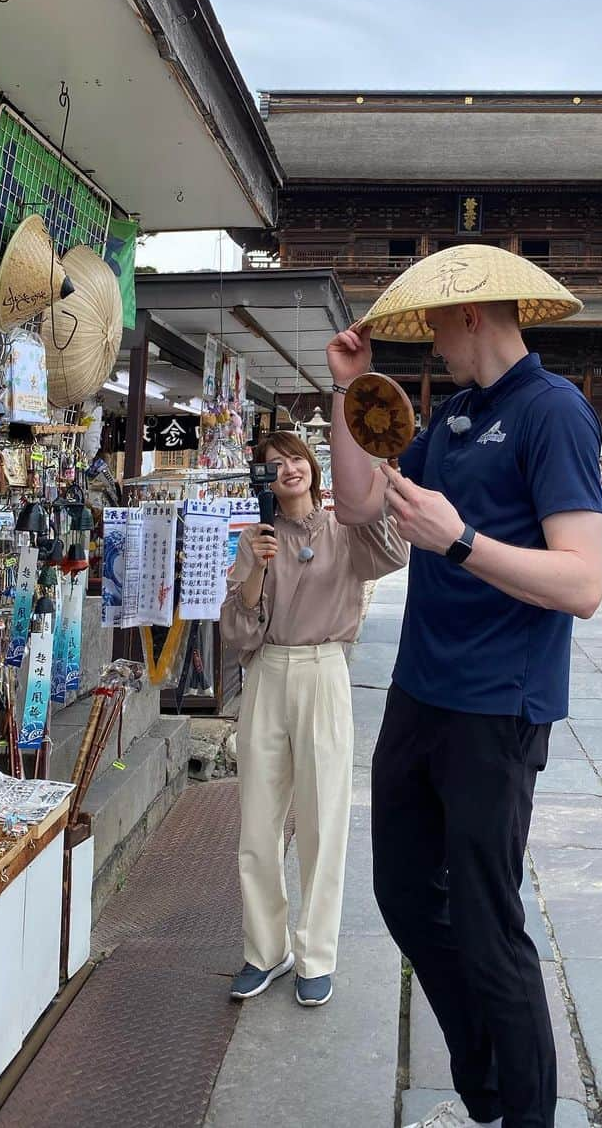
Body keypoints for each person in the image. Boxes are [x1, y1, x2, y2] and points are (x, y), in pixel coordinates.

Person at [326, 245, 602, 1128]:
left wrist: (459, 542)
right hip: (420, 693)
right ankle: (482, 1085)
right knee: (403, 894)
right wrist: (349, 395)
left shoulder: (553, 413)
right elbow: (361, 506)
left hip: (498, 704)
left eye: (437, 325)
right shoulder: (449, 421)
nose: (432, 343)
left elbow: (584, 584)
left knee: (490, 927)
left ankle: (521, 1113)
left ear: (471, 313)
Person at [220, 431, 407, 1009]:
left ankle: (316, 955)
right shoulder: (256, 539)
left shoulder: (345, 530)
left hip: (326, 669)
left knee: (324, 819)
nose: (287, 469)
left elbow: (395, 552)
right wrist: (251, 568)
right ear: (265, 480)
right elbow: (239, 633)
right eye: (274, 464)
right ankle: (264, 949)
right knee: (259, 820)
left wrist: (371, 479)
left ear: (313, 467)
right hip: (269, 673)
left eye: (295, 458)